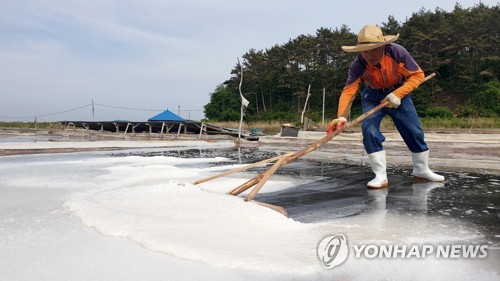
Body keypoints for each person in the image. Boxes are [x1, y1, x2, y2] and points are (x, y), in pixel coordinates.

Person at [327, 24, 444, 188]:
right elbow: (349, 90)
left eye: (373, 49)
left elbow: (417, 75)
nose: (369, 55)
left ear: (382, 46)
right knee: (369, 131)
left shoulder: (397, 52)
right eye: (365, 51)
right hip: (372, 96)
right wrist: (342, 117)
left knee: (414, 130)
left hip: (398, 93)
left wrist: (398, 94)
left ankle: (421, 170)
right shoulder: (358, 65)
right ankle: (380, 175)